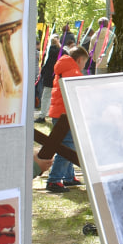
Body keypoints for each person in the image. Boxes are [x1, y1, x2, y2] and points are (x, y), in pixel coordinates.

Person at [46, 44, 88, 192]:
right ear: (79, 60)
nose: (84, 66)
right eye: (84, 62)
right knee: (67, 147)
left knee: (68, 144)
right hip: (66, 114)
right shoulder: (74, 72)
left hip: (59, 113)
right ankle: (55, 179)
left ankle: (68, 176)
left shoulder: (62, 69)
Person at [36, 35, 60, 122]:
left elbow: (46, 65)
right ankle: (50, 114)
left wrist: (42, 73)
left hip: (49, 77)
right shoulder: (61, 51)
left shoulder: (49, 52)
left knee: (46, 96)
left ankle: (42, 115)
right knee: (54, 97)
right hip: (57, 77)